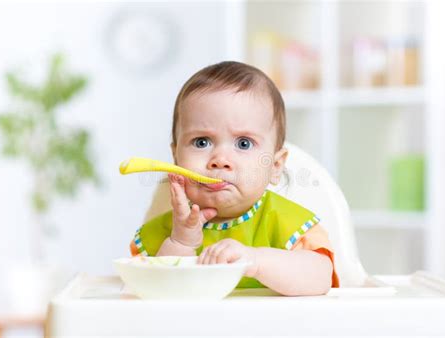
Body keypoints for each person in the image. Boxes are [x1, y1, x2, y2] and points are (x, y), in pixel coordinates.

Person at [130, 61, 339, 296]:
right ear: (176, 158)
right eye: (201, 142)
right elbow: (157, 292)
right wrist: (182, 242)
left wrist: (256, 260)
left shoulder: (288, 224)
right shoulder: (167, 231)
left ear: (275, 166)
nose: (220, 159)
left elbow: (320, 279)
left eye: (243, 143)